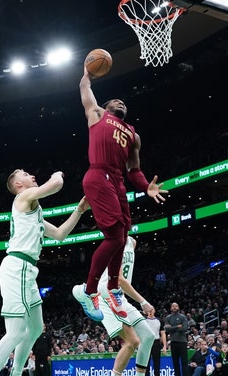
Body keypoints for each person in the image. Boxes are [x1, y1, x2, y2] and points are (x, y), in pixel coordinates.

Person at [72, 67, 168, 321]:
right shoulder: (97, 114)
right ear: (106, 106)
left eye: (123, 102)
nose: (120, 102)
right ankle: (89, 290)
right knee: (114, 237)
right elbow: (85, 91)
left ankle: (113, 288)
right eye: (116, 101)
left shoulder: (133, 135)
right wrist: (86, 74)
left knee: (123, 236)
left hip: (116, 180)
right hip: (97, 174)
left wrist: (146, 186)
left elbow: (134, 170)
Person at [0, 170, 90, 376]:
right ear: (18, 185)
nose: (31, 175)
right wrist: (58, 174)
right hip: (17, 267)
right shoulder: (22, 197)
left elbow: (60, 234)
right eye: (25, 174)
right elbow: (56, 184)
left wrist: (79, 210)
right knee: (15, 332)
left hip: (27, 270)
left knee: (34, 328)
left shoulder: (34, 212)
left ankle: (16, 373)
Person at [97, 236, 155, 376]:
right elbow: (120, 279)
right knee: (132, 341)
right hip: (105, 295)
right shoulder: (113, 243)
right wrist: (143, 302)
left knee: (148, 336)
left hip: (118, 295)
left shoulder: (132, 242)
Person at [165, 302, 189, 376]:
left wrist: (172, 327)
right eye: (173, 306)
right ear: (171, 308)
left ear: (178, 307)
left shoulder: (183, 317)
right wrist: (177, 326)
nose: (174, 307)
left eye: (176, 306)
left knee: (184, 362)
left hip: (182, 342)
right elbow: (167, 329)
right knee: (175, 362)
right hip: (173, 342)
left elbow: (185, 328)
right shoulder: (168, 317)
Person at [144, 307, 167, 376]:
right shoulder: (143, 321)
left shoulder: (159, 320)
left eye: (152, 309)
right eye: (149, 310)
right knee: (146, 364)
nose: (150, 311)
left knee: (157, 363)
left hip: (156, 342)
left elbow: (163, 333)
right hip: (146, 342)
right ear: (146, 311)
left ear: (154, 311)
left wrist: (164, 346)